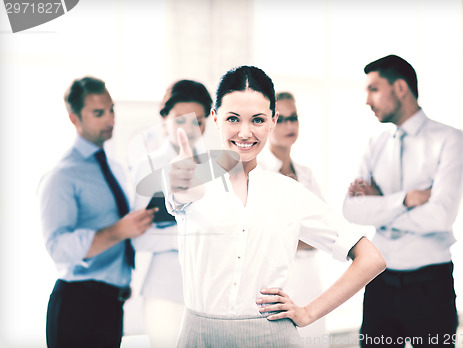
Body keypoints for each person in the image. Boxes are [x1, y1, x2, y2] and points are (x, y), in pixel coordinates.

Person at [165, 65, 386, 347]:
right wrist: (182, 179)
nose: (245, 133)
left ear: (273, 121)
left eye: (257, 120)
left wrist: (308, 313)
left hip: (273, 337)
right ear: (215, 118)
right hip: (200, 338)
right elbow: (180, 192)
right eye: (233, 118)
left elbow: (372, 259)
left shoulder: (290, 193)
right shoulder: (189, 180)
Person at [343, 55, 463, 347]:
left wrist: (380, 206)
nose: (367, 101)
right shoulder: (374, 144)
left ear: (400, 88)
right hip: (380, 282)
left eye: (374, 89)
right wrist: (405, 200)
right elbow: (350, 209)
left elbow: (441, 217)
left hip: (430, 285)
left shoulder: (449, 139)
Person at [38, 76, 156, 348]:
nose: (110, 119)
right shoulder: (61, 176)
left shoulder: (115, 169)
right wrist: (118, 231)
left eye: (112, 109)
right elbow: (57, 246)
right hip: (77, 305)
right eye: (98, 113)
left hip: (112, 305)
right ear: (74, 118)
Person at [130, 79, 212, 347]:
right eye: (180, 120)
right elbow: (138, 237)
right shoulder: (148, 167)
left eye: (197, 121)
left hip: (210, 290)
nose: (189, 130)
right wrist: (186, 237)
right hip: (164, 291)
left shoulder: (215, 166)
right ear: (164, 118)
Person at [258, 91, 327, 341]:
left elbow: (327, 232)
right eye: (281, 118)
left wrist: (292, 236)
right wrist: (302, 235)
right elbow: (259, 236)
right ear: (268, 122)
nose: (289, 125)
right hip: (275, 282)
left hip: (310, 279)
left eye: (294, 118)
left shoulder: (306, 174)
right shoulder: (258, 173)